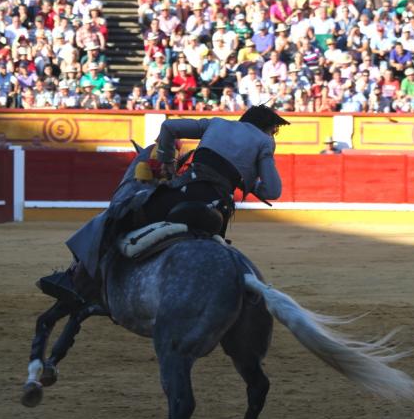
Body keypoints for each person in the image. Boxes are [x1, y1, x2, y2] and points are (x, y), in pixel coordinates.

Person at [37, 105, 290, 304]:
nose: (271, 136)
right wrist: (248, 180)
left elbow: (169, 126)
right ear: (268, 129)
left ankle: (75, 278)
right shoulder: (264, 142)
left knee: (118, 216)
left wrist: (168, 163)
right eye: (272, 131)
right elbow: (273, 191)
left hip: (181, 193)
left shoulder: (217, 124)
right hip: (216, 211)